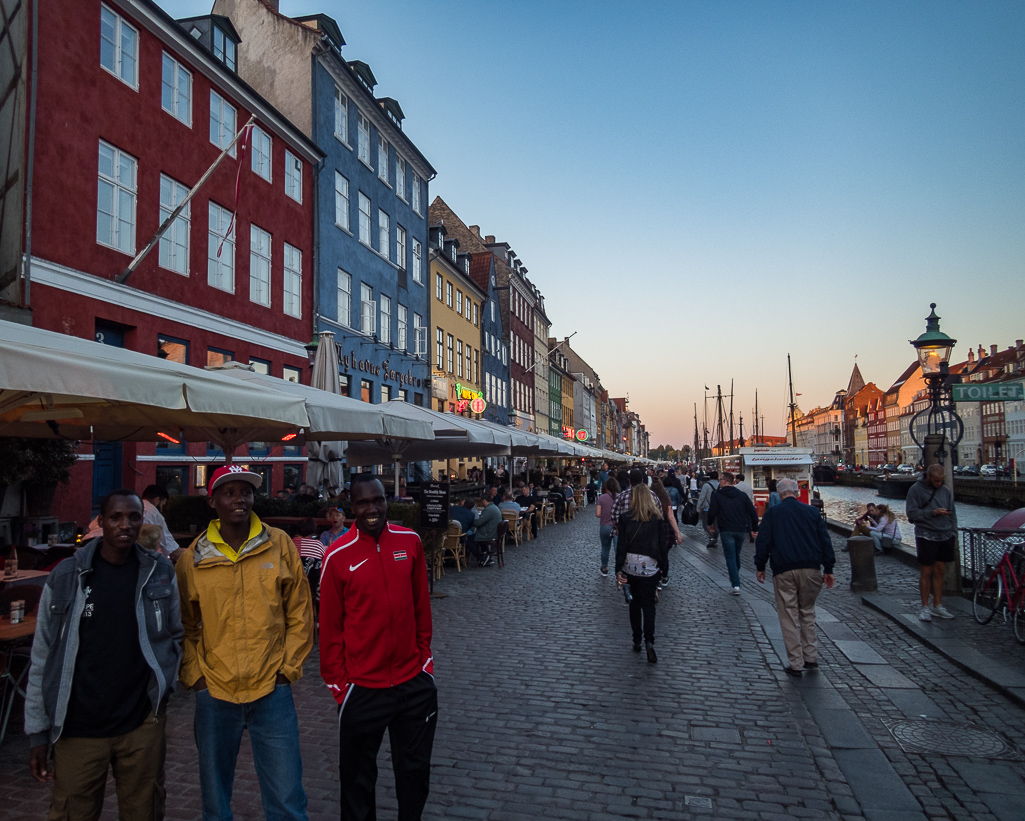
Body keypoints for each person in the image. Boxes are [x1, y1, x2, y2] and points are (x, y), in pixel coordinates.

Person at [25, 489, 183, 820]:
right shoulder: (67, 576)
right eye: (116, 517)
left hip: (141, 723)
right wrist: (38, 731)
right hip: (78, 726)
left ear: (142, 521)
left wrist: (164, 686)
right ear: (100, 521)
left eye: (133, 517)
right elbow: (42, 656)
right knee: (72, 811)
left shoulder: (159, 572)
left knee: (145, 810)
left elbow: (174, 634)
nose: (125, 525)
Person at [176, 465, 314, 821]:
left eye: (246, 492)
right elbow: (185, 626)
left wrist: (287, 670)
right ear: (213, 501)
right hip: (215, 693)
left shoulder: (279, 544)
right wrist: (197, 678)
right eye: (229, 492)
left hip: (272, 690)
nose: (240, 499)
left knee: (287, 799)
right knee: (215, 802)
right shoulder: (194, 558)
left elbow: (300, 611)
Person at [319, 475, 438, 821]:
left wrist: (424, 665)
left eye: (378, 500)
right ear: (351, 507)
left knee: (414, 774)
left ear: (387, 501)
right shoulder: (337, 556)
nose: (372, 509)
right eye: (363, 503)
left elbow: (421, 609)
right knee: (357, 783)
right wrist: (341, 687)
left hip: (412, 682)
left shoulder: (410, 542)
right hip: (361, 688)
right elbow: (330, 629)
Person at [754, 478, 836, 677]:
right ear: (797, 492)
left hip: (784, 568)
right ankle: (811, 657)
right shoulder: (812, 512)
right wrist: (828, 568)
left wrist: (760, 565)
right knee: (807, 612)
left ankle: (795, 662)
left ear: (781, 494)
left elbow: (764, 541)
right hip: (811, 568)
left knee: (788, 615)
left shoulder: (773, 513)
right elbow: (825, 540)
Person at [615, 481, 667, 663]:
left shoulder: (626, 518)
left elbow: (621, 545)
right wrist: (664, 568)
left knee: (634, 604)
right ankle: (649, 642)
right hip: (650, 565)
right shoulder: (657, 518)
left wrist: (618, 568)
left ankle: (636, 639)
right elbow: (663, 545)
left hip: (631, 564)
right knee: (649, 605)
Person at [906, 464, 958, 621]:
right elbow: (912, 513)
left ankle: (938, 605)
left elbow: (952, 512)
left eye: (941, 481)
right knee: (926, 571)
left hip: (945, 534)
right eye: (936, 481)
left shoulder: (945, 491)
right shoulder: (915, 490)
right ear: (928, 477)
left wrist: (953, 531)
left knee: (940, 570)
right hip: (926, 535)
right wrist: (932, 513)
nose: (939, 484)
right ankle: (925, 607)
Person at [80, 484, 181, 560]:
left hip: (87, 545)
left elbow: (92, 526)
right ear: (157, 500)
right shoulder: (154, 512)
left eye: (135, 518)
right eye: (116, 518)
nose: (125, 525)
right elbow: (171, 548)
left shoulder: (114, 506)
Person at [706, 472, 759, 595]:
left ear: (724, 481)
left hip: (726, 529)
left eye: (720, 480)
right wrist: (754, 527)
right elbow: (752, 512)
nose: (719, 482)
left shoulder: (717, 495)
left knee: (730, 556)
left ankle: (735, 584)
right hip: (740, 528)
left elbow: (712, 511)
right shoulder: (742, 495)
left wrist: (710, 523)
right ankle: (735, 576)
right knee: (736, 554)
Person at [651, 480, 683, 587]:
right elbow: (671, 516)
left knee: (654, 553)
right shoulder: (666, 499)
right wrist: (677, 532)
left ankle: (656, 575)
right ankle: (664, 576)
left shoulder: (650, 498)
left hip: (653, 526)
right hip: (666, 527)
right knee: (664, 554)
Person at [295, 517, 327, 602]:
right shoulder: (318, 544)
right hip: (312, 585)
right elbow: (325, 561)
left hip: (294, 584)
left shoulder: (292, 542)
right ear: (313, 529)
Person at [595, 477, 621, 577]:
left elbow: (597, 514)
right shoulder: (620, 497)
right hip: (617, 527)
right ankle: (619, 570)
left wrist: (605, 514)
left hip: (605, 526)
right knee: (617, 550)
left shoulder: (601, 498)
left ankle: (604, 568)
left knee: (605, 548)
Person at [473, 492, 502, 565]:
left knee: (471, 539)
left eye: (481, 501)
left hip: (489, 534)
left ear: (484, 500)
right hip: (493, 531)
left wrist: (472, 522)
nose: (481, 503)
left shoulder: (488, 510)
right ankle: (486, 555)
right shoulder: (493, 507)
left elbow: (479, 523)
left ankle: (483, 557)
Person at [697, 471, 720, 548]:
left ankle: (711, 537)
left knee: (705, 524)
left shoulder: (706, 485)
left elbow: (702, 497)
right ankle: (715, 537)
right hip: (718, 508)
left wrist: (698, 507)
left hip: (707, 508)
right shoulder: (720, 485)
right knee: (716, 525)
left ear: (709, 477)